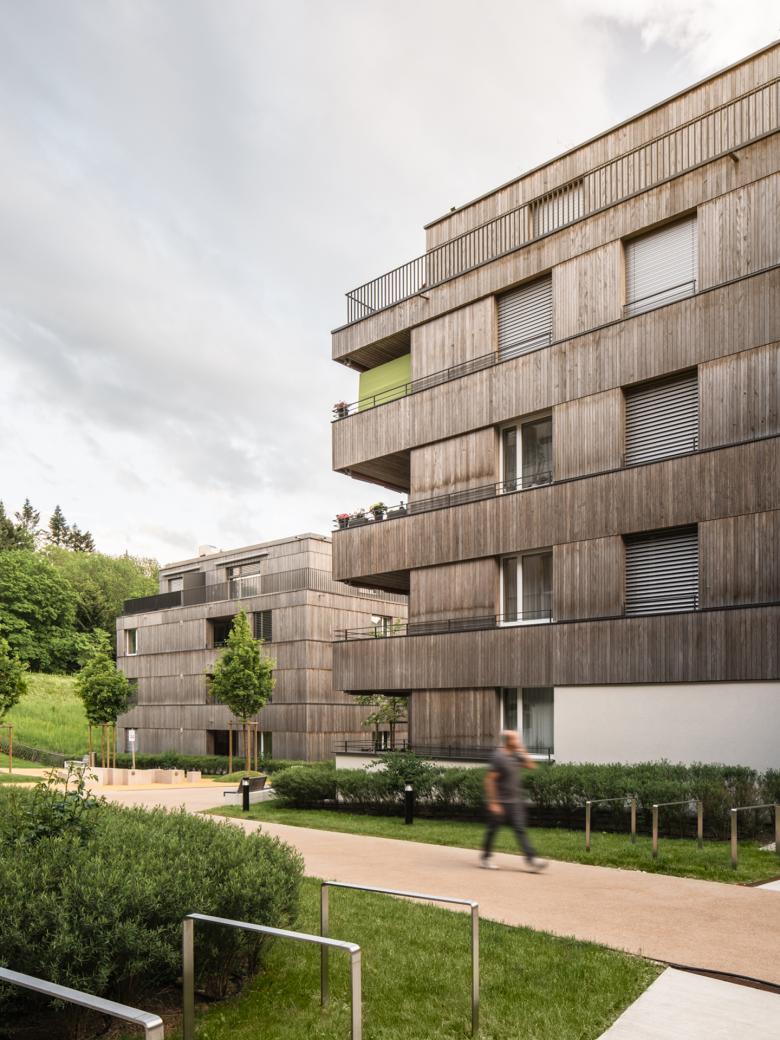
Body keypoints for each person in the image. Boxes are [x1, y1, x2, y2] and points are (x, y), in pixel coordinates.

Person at [480, 730, 547, 872]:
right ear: (508, 741)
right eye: (515, 739)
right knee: (493, 830)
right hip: (500, 802)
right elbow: (489, 780)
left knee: (520, 830)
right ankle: (486, 858)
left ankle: (532, 860)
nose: (518, 741)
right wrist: (493, 803)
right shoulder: (498, 757)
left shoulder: (516, 755)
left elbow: (531, 766)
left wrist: (523, 751)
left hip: (515, 802)